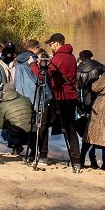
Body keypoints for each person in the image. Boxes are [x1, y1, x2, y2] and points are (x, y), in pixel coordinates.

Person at [43, 33, 81, 168]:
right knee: (71, 129)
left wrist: (35, 66)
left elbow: (45, 75)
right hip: (71, 97)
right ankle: (76, 160)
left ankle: (42, 155)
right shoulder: (72, 57)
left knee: (44, 124)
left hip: (59, 96)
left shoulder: (57, 58)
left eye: (51, 44)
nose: (50, 46)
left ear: (56, 43)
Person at [76, 50, 105, 168]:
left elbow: (76, 90)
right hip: (99, 102)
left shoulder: (78, 70)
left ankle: (82, 158)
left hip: (85, 103)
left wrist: (80, 107)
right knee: (100, 131)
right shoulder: (100, 67)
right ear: (92, 57)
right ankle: (100, 160)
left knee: (87, 132)